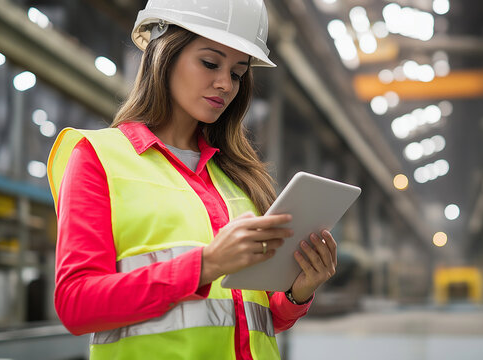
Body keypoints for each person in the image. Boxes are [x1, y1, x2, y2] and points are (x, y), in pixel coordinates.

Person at [47, 0, 338, 358]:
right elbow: (76, 304)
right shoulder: (98, 158)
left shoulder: (239, 178)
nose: (224, 84)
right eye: (210, 63)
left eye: (237, 72)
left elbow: (255, 317)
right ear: (163, 55)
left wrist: (298, 291)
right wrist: (207, 264)